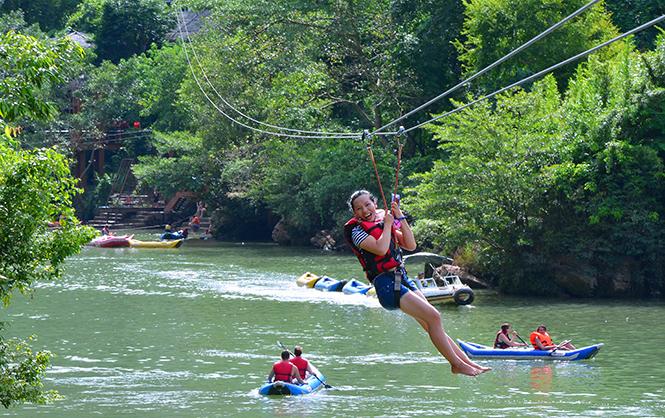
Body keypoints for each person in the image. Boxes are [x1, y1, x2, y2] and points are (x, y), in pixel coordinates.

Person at [343, 190, 490, 376]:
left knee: (432, 324)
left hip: (402, 279)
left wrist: (399, 217)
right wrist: (388, 224)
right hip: (386, 286)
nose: (365, 210)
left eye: (367, 204)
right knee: (434, 316)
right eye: (359, 208)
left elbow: (411, 245)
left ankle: (465, 361)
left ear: (375, 203)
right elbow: (380, 249)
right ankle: (456, 364)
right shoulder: (358, 231)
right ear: (355, 213)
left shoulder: (382, 223)